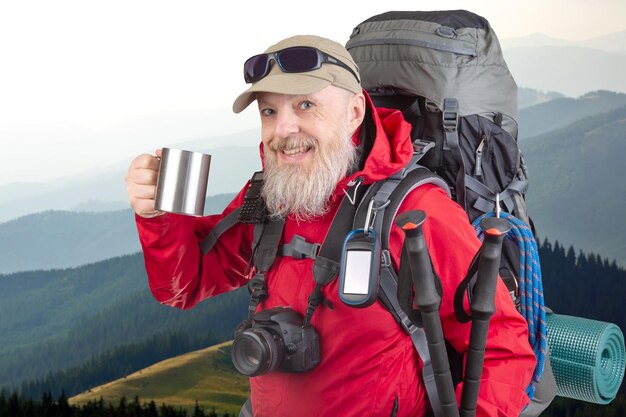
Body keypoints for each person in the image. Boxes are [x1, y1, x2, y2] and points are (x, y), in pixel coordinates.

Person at [125, 35, 536, 417]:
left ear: (355, 111)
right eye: (270, 110)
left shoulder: (416, 211)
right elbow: (184, 284)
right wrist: (157, 217)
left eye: (305, 105)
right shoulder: (271, 200)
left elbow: (502, 345)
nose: (283, 129)